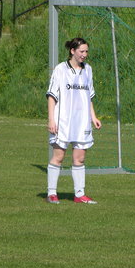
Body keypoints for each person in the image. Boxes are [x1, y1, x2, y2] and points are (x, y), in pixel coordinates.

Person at [46, 37, 101, 205]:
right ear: (72, 51)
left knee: (80, 158)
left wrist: (93, 117)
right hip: (63, 120)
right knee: (59, 156)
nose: (84, 55)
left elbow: (89, 96)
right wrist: (51, 119)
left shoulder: (88, 70)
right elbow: (51, 96)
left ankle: (79, 194)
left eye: (86, 51)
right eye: (81, 51)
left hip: (82, 121)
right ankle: (52, 193)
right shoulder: (61, 69)